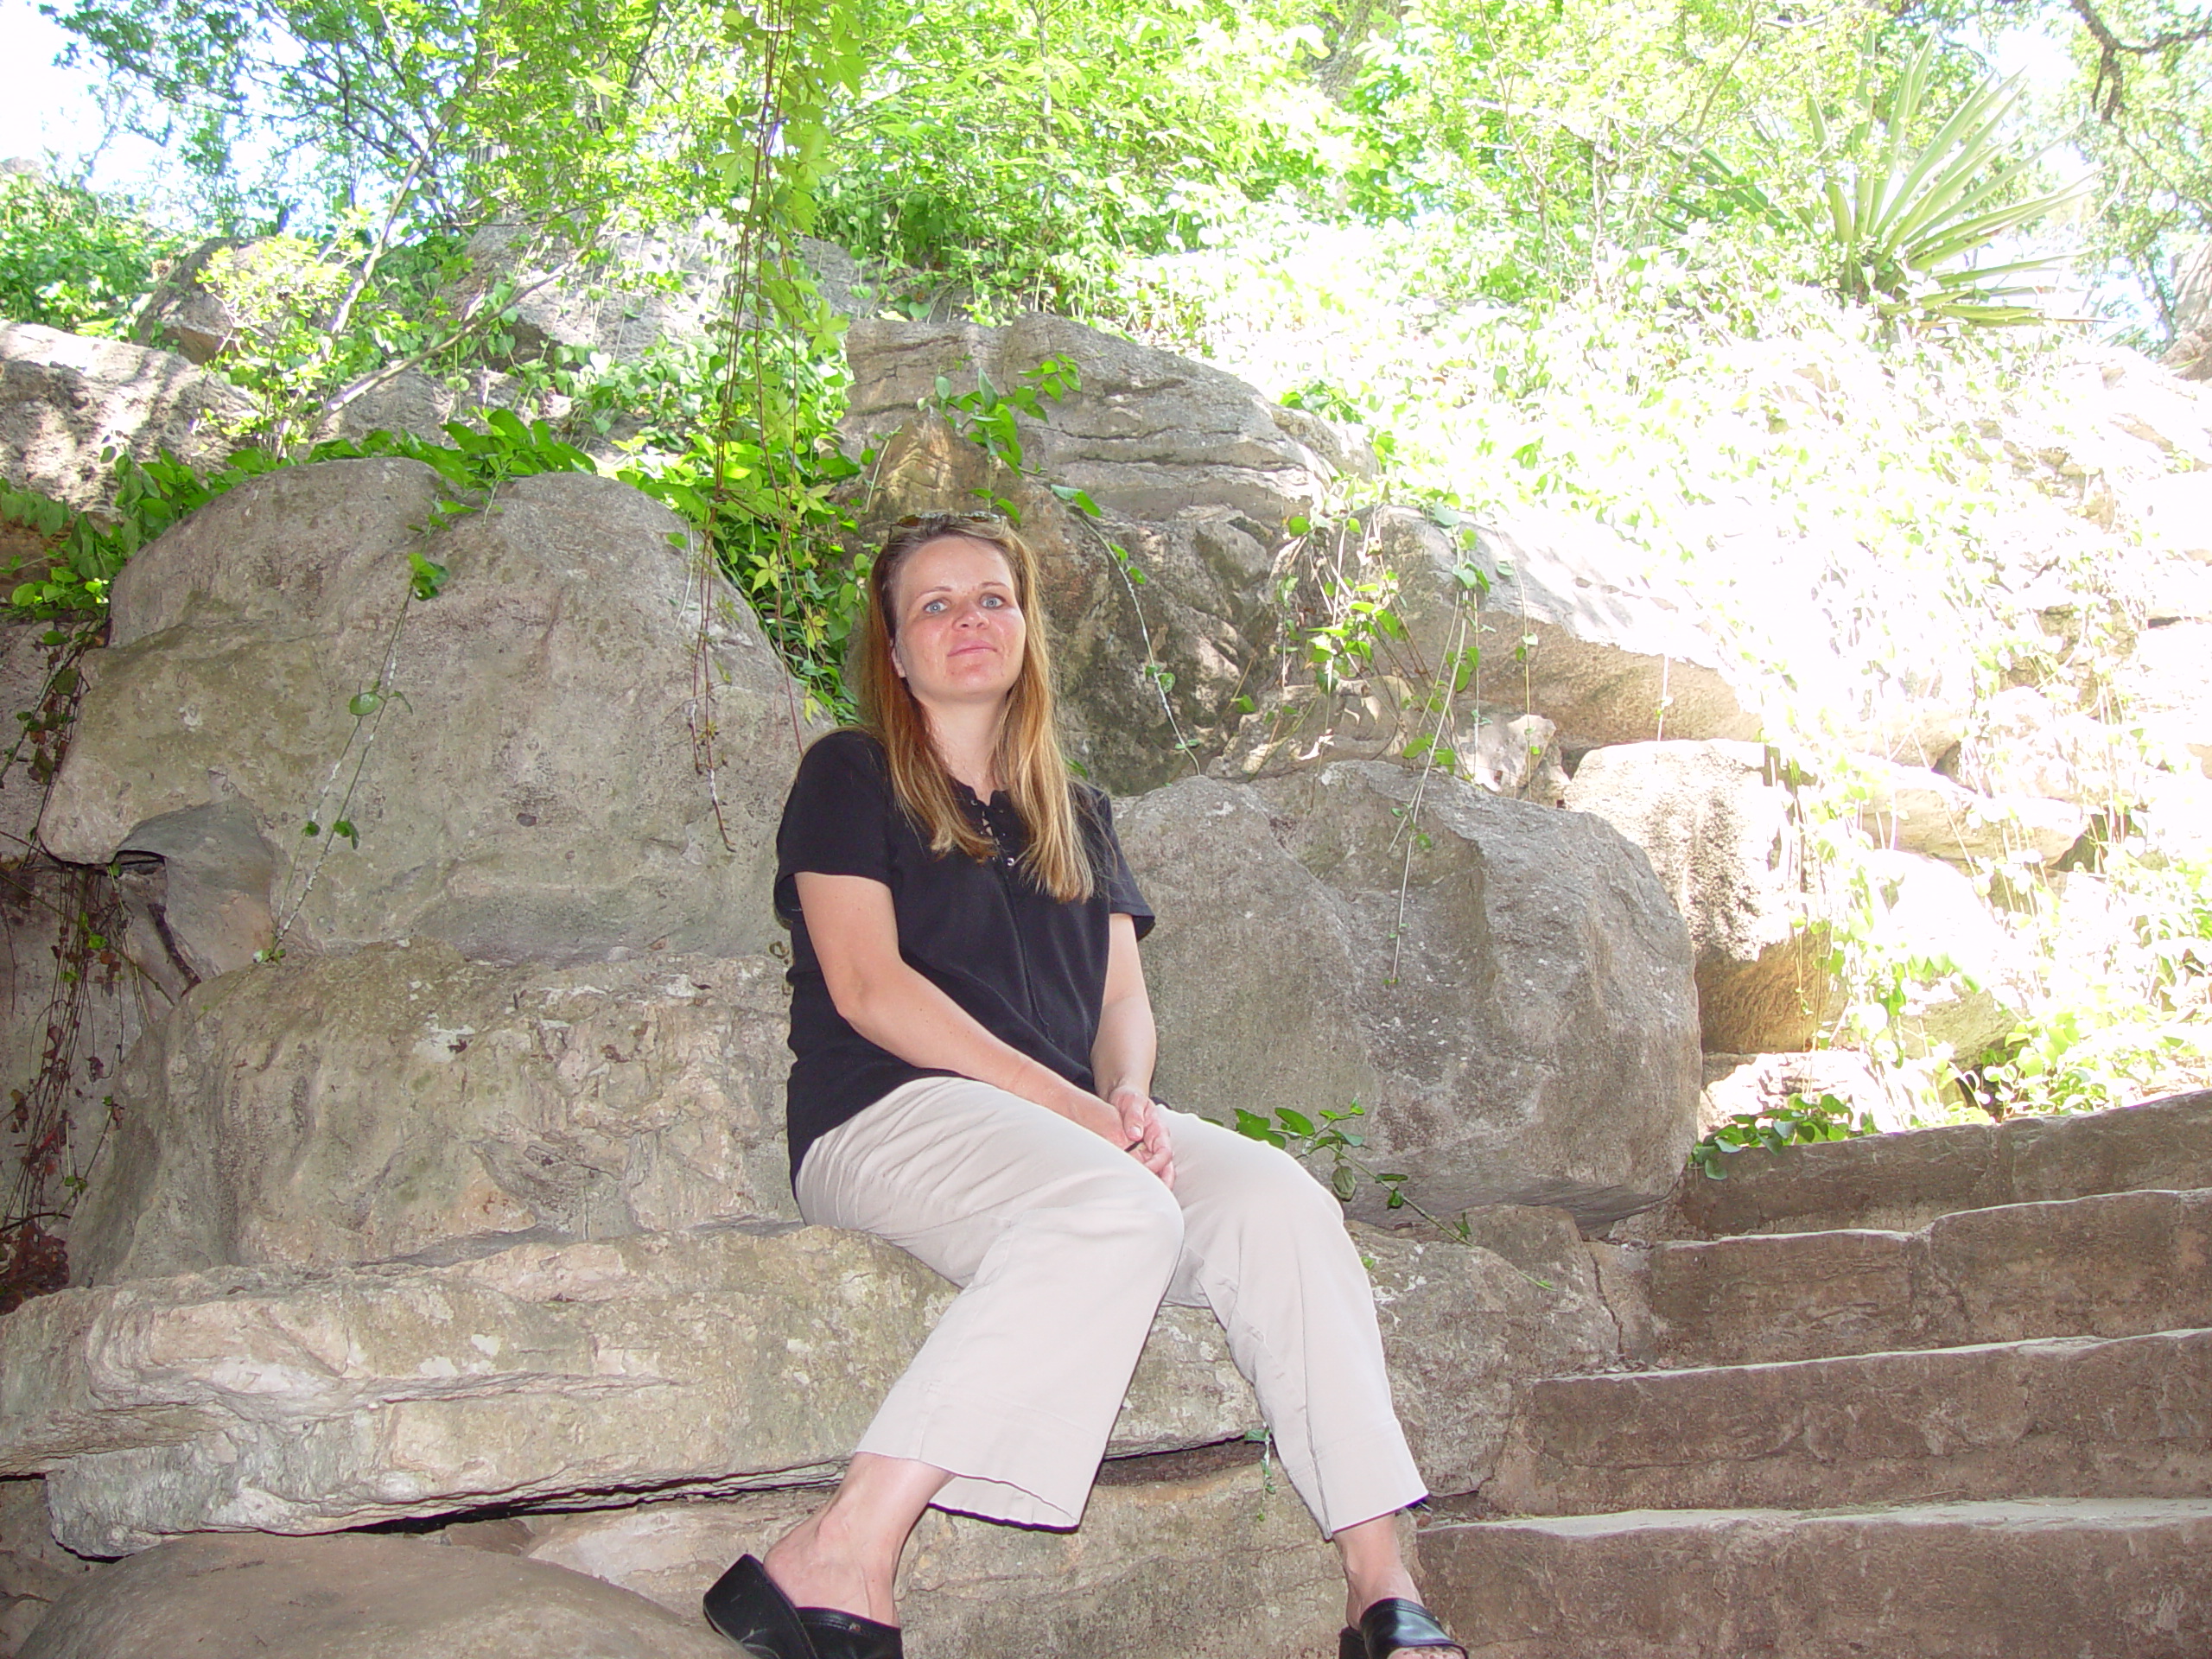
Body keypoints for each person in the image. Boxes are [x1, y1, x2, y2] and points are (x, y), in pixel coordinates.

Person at [702, 512, 1467, 1659]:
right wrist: (1076, 1117)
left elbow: (1120, 1004)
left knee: (1281, 1205)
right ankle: (839, 1551)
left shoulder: (1078, 809)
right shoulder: (848, 774)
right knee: (1117, 1205)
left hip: (1058, 1134)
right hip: (886, 1118)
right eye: (937, 605)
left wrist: (1130, 1097)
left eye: (993, 598)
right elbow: (867, 989)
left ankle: (1379, 1586)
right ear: (897, 652)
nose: (971, 621)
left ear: (1028, 630)